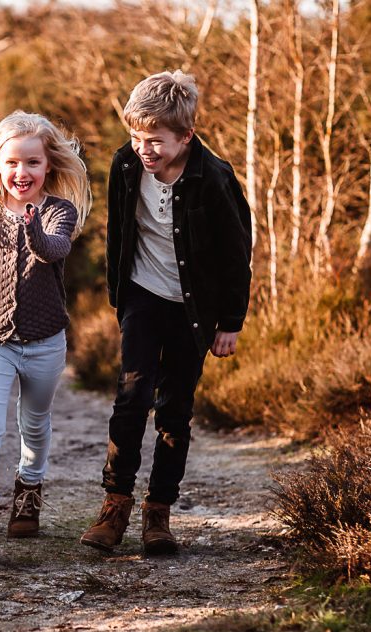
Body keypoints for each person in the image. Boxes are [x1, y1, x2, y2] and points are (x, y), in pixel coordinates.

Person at [80, 71, 252, 555]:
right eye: (136, 137)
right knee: (131, 396)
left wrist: (230, 323)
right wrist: (119, 296)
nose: (144, 149)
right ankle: (114, 507)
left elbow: (237, 254)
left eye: (155, 141)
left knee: (174, 411)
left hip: (194, 310)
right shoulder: (124, 166)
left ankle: (158, 514)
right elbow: (118, 232)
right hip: (142, 295)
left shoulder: (214, 178)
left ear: (186, 137)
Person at [0, 111, 92, 563]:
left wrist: (31, 225)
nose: (21, 173)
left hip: (46, 342)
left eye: (32, 163)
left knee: (34, 424)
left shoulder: (57, 212)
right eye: (11, 163)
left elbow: (54, 249)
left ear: (48, 165)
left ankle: (29, 489)